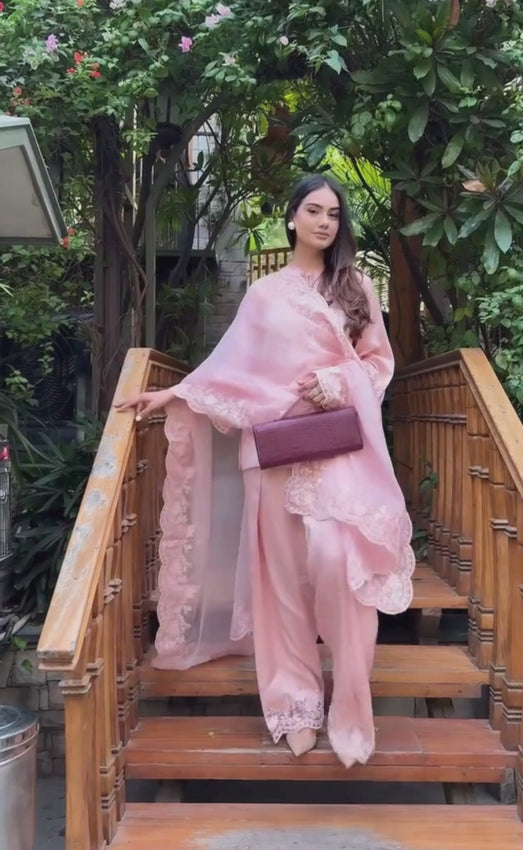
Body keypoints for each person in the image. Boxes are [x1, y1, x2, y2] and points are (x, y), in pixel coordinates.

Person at [116, 174, 415, 768]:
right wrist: (173, 394)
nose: (324, 222)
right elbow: (230, 368)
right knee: (281, 581)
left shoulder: (355, 286)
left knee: (339, 565)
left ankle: (351, 705)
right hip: (274, 450)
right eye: (314, 210)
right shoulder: (264, 295)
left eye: (334, 214)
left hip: (337, 448)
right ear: (292, 217)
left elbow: (378, 363)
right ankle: (295, 704)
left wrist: (338, 381)